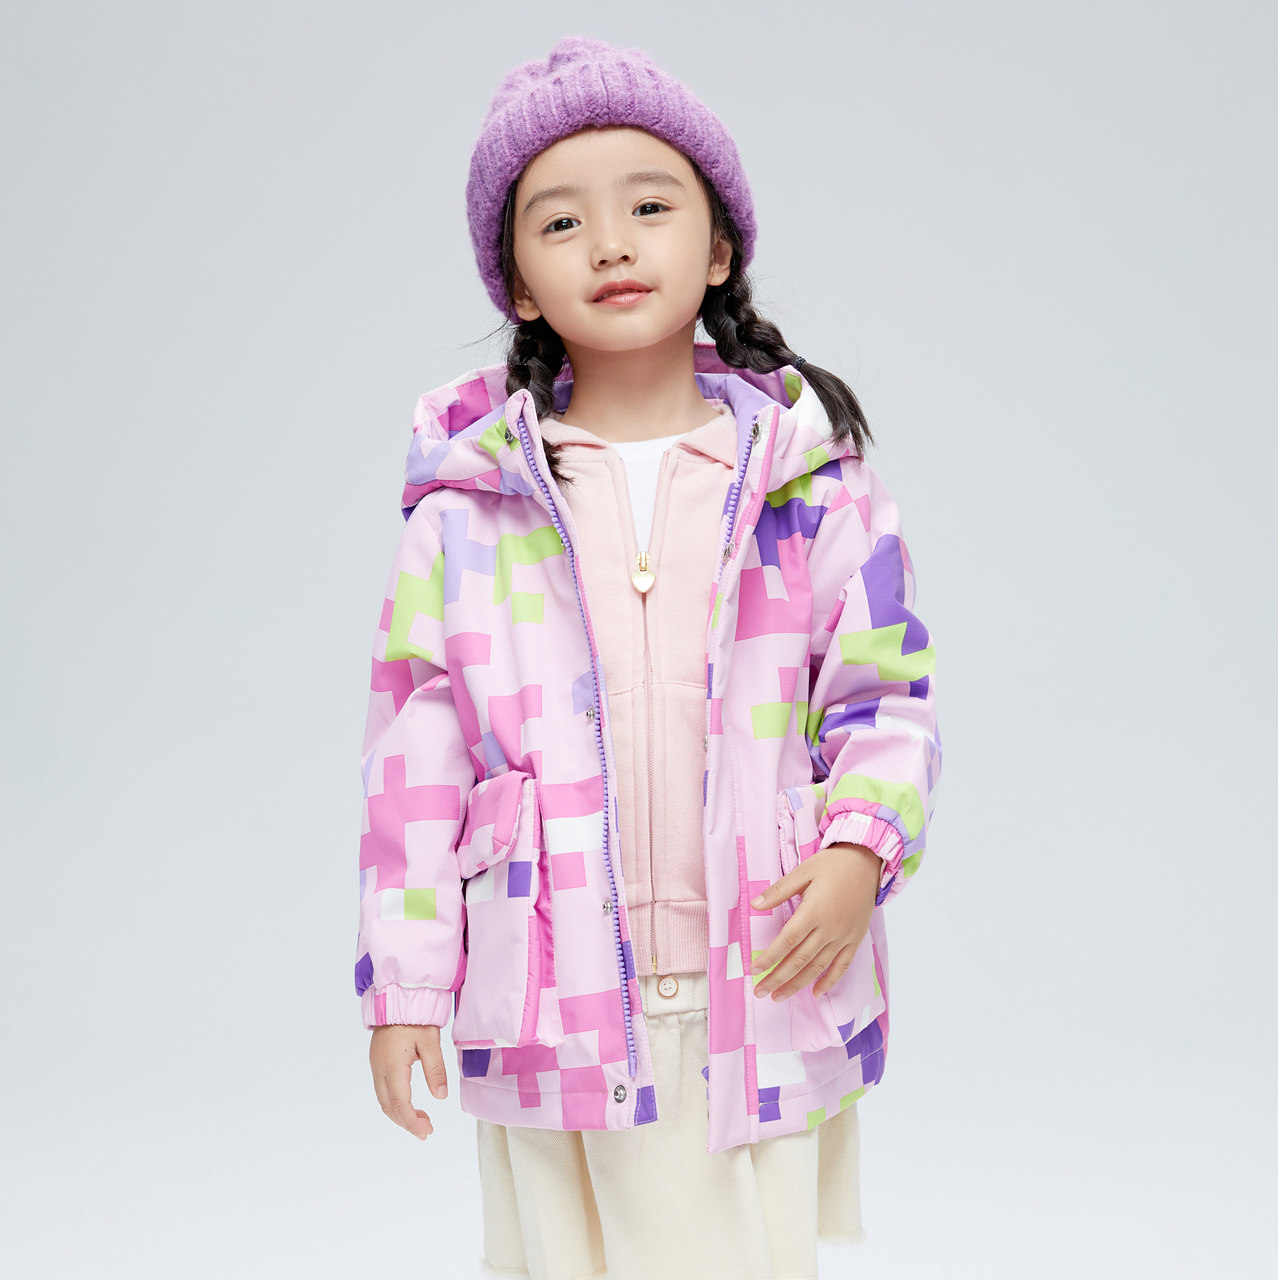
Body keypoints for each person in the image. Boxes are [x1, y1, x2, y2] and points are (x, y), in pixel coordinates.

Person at [354, 35, 942, 1280]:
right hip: (550, 986)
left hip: (755, 969)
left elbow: (885, 693)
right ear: (517, 282)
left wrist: (857, 848)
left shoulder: (807, 483)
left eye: (649, 206)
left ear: (717, 248)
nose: (610, 244)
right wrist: (404, 986)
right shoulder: (465, 511)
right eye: (561, 221)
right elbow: (412, 761)